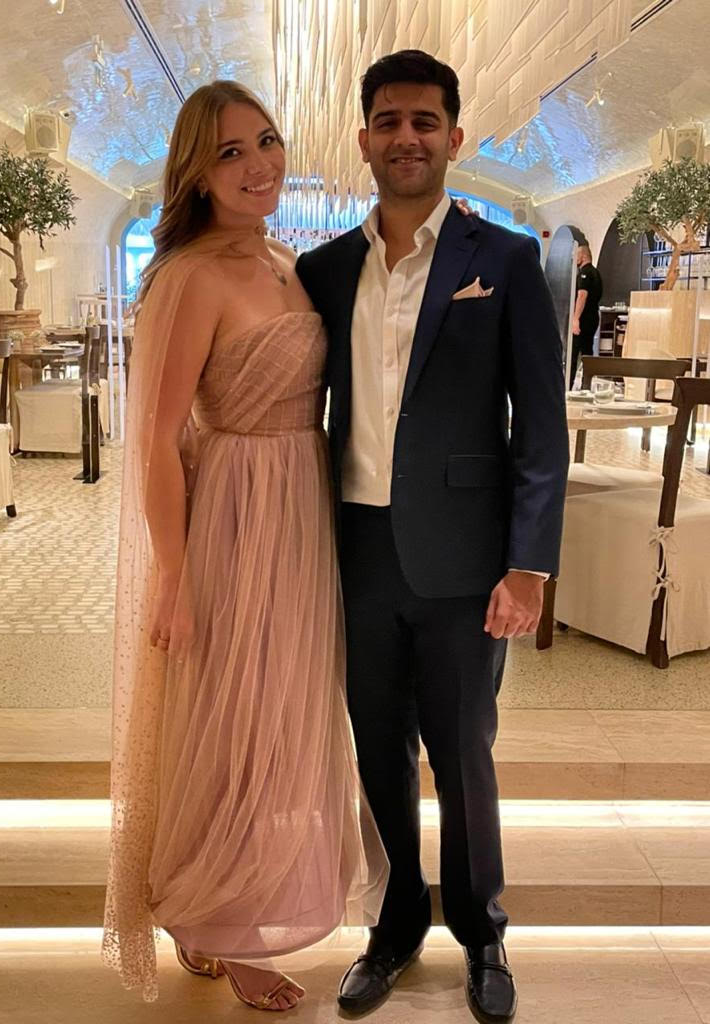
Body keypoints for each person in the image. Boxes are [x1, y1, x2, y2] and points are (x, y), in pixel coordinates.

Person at [101, 80, 389, 1011]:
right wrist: (174, 575)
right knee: (233, 721)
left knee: (282, 718)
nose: (258, 164)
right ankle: (222, 924)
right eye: (230, 152)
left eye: (265, 141)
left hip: (301, 507)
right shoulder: (190, 277)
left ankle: (224, 912)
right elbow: (156, 440)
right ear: (197, 172)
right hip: (233, 512)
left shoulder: (284, 260)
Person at [296, 50, 569, 1024]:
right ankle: (395, 920)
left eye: (423, 121)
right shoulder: (325, 270)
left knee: (462, 754)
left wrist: (528, 564)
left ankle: (482, 930)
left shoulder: (505, 261)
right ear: (362, 138)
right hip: (357, 554)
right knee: (377, 749)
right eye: (387, 120)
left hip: (464, 558)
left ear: (454, 137)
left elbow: (541, 426)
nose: (404, 137)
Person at [571, 242, 603, 386]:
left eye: (576, 255)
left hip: (584, 319)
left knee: (574, 353)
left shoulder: (585, 273)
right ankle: (586, 385)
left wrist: (576, 319)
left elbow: (582, 295)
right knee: (587, 352)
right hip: (593, 317)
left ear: (583, 256)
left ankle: (568, 385)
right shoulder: (596, 273)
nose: (574, 258)